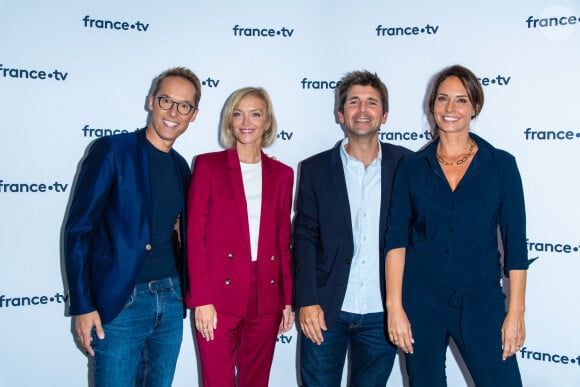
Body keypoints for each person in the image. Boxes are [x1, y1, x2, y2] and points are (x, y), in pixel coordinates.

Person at [384, 64, 529, 386]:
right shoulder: (411, 167)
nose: (450, 109)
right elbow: (396, 241)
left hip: (481, 300)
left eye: (461, 100)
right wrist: (395, 307)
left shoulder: (501, 165)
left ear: (475, 107)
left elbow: (516, 245)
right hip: (420, 301)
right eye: (443, 99)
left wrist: (515, 313)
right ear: (431, 105)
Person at [63, 67, 201, 386]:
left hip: (170, 300)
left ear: (193, 114)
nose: (173, 112)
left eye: (184, 106)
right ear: (151, 101)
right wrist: (82, 305)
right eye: (166, 101)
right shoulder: (112, 150)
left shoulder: (182, 167)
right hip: (121, 302)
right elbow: (79, 231)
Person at [293, 70, 412, 386]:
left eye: (371, 103)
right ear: (340, 114)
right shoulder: (315, 169)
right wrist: (305, 299)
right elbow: (304, 236)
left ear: (384, 115)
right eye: (354, 102)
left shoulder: (408, 166)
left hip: (384, 311)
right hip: (326, 309)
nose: (362, 110)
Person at [186, 87, 294, 387]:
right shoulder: (208, 166)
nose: (247, 121)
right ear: (230, 121)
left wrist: (287, 298)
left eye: (255, 113)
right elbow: (194, 238)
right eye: (238, 113)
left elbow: (283, 241)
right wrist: (202, 300)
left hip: (267, 295)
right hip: (218, 296)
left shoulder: (283, 174)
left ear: (267, 122)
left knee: (256, 382)